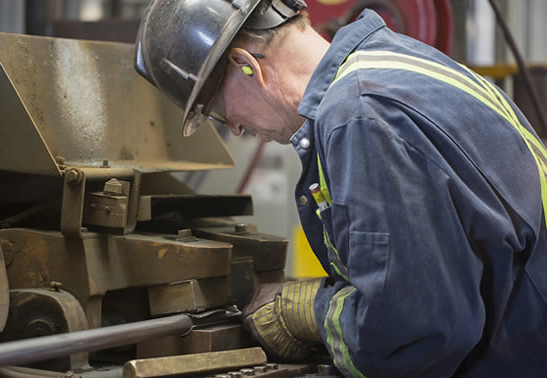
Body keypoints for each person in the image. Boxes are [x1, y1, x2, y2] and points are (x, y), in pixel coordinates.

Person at [134, 1, 547, 376]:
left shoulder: (361, 117)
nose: (237, 128)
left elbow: (414, 332)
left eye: (221, 114)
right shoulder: (391, 61)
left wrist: (312, 312)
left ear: (247, 65)